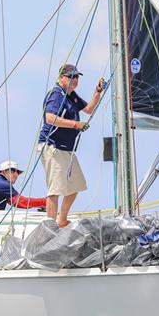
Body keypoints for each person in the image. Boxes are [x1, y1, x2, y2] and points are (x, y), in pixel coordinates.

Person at [38, 63, 104, 226]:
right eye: (71, 76)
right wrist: (75, 125)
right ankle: (50, 226)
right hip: (53, 147)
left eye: (76, 77)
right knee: (55, 190)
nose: (74, 80)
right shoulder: (56, 94)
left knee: (76, 185)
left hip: (67, 149)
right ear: (61, 78)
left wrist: (97, 92)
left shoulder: (71, 95)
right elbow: (50, 118)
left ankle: (61, 219)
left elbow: (88, 109)